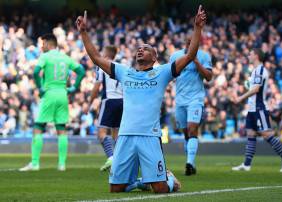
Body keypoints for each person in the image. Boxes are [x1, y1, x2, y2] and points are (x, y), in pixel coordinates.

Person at [76, 5, 206, 193]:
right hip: (126, 135)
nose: (140, 50)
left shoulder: (162, 72)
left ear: (154, 57)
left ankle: (169, 179)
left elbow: (190, 55)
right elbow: (96, 57)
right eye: (139, 49)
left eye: (145, 49)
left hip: (150, 136)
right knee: (115, 189)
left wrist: (198, 28)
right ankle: (141, 182)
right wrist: (84, 33)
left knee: (161, 189)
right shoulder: (124, 72)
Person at [19, 33, 85, 171]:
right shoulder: (65, 57)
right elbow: (81, 71)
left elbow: (36, 72)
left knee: (38, 127)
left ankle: (35, 163)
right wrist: (73, 87)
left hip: (49, 94)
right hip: (63, 94)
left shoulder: (45, 56)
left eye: (43, 44)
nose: (41, 47)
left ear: (49, 44)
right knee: (61, 129)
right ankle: (61, 164)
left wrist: (40, 88)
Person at [232, 49, 282, 172]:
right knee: (251, 134)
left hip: (260, 108)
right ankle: (247, 165)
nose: (249, 55)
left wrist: (240, 98)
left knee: (267, 135)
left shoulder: (260, 70)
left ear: (257, 56)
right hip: (252, 108)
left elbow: (256, 90)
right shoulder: (254, 70)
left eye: (251, 53)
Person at [170, 38, 212, 175]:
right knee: (186, 133)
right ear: (186, 44)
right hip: (180, 100)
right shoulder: (175, 56)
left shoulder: (204, 56)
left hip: (196, 99)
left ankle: (189, 163)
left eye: (195, 44)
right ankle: (191, 164)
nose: (192, 46)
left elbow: (209, 76)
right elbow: (170, 74)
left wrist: (196, 62)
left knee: (192, 129)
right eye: (190, 44)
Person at [86, 45, 123, 171]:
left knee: (101, 133)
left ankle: (112, 158)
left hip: (109, 101)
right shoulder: (120, 66)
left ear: (106, 54)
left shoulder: (102, 66)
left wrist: (89, 102)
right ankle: (119, 161)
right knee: (116, 134)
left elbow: (97, 87)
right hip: (122, 102)